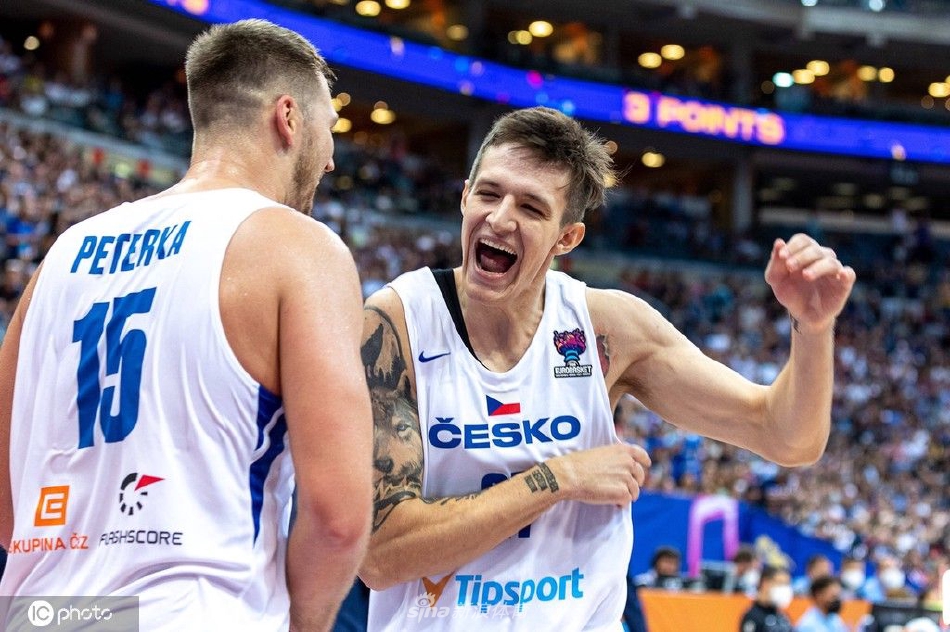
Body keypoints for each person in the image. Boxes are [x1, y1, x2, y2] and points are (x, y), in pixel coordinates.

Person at [359, 106, 855, 630]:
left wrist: (813, 328)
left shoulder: (609, 327)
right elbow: (382, 555)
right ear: (464, 197)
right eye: (488, 193)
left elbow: (786, 437)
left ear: (567, 238)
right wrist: (561, 476)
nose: (500, 218)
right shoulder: (398, 323)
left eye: (531, 207)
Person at [0, 19, 373, 632]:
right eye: (329, 129)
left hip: (43, 615)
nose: (331, 160)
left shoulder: (63, 254)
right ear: (288, 118)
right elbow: (338, 519)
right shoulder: (297, 248)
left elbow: (8, 499)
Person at [740, 566, 794, 632]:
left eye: (787, 584)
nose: (784, 588)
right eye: (780, 583)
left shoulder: (783, 616)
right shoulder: (753, 616)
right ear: (765, 583)